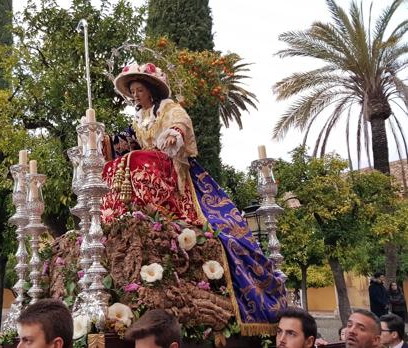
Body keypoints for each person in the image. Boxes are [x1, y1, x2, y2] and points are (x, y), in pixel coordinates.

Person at [107, 63, 286, 325]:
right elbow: (128, 141)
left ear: (151, 91)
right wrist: (101, 141)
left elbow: (181, 121)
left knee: (136, 160)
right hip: (151, 163)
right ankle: (132, 209)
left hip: (171, 166)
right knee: (120, 162)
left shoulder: (166, 108)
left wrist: (174, 135)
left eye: (139, 89)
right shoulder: (139, 118)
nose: (135, 95)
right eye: (132, 91)